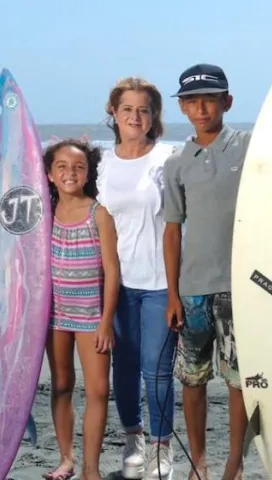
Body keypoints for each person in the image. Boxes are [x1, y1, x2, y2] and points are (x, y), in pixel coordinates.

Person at [162, 58, 272, 480]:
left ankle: (234, 462)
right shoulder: (176, 162)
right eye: (192, 101)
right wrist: (172, 293)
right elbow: (172, 231)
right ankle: (200, 460)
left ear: (227, 101)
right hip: (193, 289)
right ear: (183, 108)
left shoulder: (250, 146)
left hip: (243, 288)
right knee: (192, 380)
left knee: (241, 380)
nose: (201, 108)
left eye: (210, 99)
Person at [97, 77, 179, 479]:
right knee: (123, 368)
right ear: (113, 112)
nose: (135, 116)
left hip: (162, 282)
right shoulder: (99, 162)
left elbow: (185, 218)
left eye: (143, 110)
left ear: (154, 117)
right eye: (127, 108)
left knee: (158, 370)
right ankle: (134, 440)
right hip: (115, 284)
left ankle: (162, 452)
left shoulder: (168, 158)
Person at [42, 139, 120, 480]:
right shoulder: (44, 213)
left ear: (88, 172)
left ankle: (91, 468)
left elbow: (113, 271)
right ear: (49, 174)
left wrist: (106, 322)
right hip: (54, 316)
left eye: (78, 167)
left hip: (91, 317)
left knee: (98, 389)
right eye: (61, 166)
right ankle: (66, 459)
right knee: (61, 384)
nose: (70, 173)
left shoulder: (98, 213)